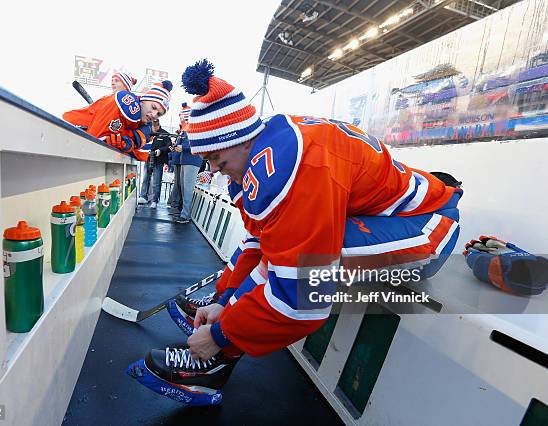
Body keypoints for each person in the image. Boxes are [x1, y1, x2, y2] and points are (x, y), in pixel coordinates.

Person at [128, 60, 463, 406]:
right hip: (388, 220)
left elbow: (300, 298)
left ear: (239, 138)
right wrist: (225, 302)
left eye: (215, 157)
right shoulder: (265, 151)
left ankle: (214, 362)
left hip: (429, 226)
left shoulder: (296, 167)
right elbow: (263, 245)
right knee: (289, 251)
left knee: (312, 262)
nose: (213, 168)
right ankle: (220, 349)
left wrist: (220, 334)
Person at [62, 80, 173, 160]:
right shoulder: (128, 105)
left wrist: (129, 144)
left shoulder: (143, 125)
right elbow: (96, 138)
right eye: (153, 107)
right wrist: (131, 140)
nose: (154, 115)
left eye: (159, 114)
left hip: (75, 145)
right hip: (65, 132)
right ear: (144, 100)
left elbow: (141, 154)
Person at [138, 119, 173, 207]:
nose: (152, 128)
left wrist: (160, 151)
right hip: (148, 159)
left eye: (154, 127)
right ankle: (143, 197)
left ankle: (155, 200)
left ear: (157, 125)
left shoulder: (165, 134)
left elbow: (169, 146)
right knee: (145, 179)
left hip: (159, 160)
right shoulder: (148, 133)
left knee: (157, 181)